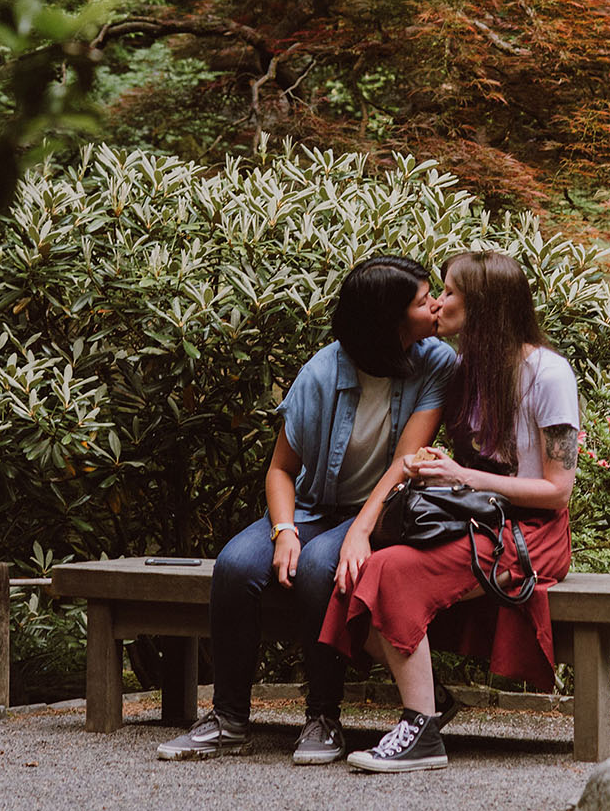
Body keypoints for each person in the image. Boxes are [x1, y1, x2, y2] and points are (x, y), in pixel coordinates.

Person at [157, 256, 456, 765]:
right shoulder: (321, 373)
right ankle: (228, 718)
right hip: (315, 506)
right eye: (421, 299)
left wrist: (359, 530)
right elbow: (280, 470)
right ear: (388, 321)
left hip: (380, 511)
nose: (434, 305)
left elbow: (404, 466)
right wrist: (284, 529)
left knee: (322, 566)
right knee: (234, 566)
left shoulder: (436, 363)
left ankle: (323, 717)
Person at [319, 250, 581, 773]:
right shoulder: (465, 371)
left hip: (530, 534)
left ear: (482, 306)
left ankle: (419, 729)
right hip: (475, 519)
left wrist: (464, 476)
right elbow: (435, 464)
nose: (438, 302)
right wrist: (421, 479)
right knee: (353, 575)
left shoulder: (549, 375)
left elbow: (558, 492)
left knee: (391, 571)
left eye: (450, 292)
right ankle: (431, 706)